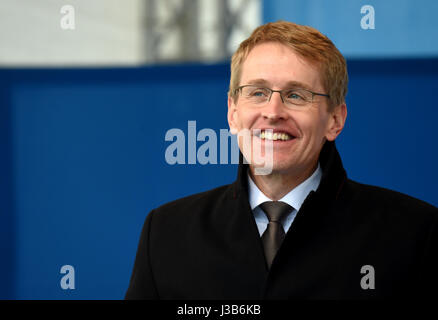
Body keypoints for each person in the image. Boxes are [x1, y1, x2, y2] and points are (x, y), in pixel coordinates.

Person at [125, 21, 438, 299]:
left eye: (296, 95)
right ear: (233, 113)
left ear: (335, 119)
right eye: (258, 92)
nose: (273, 112)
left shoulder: (414, 234)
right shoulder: (167, 233)